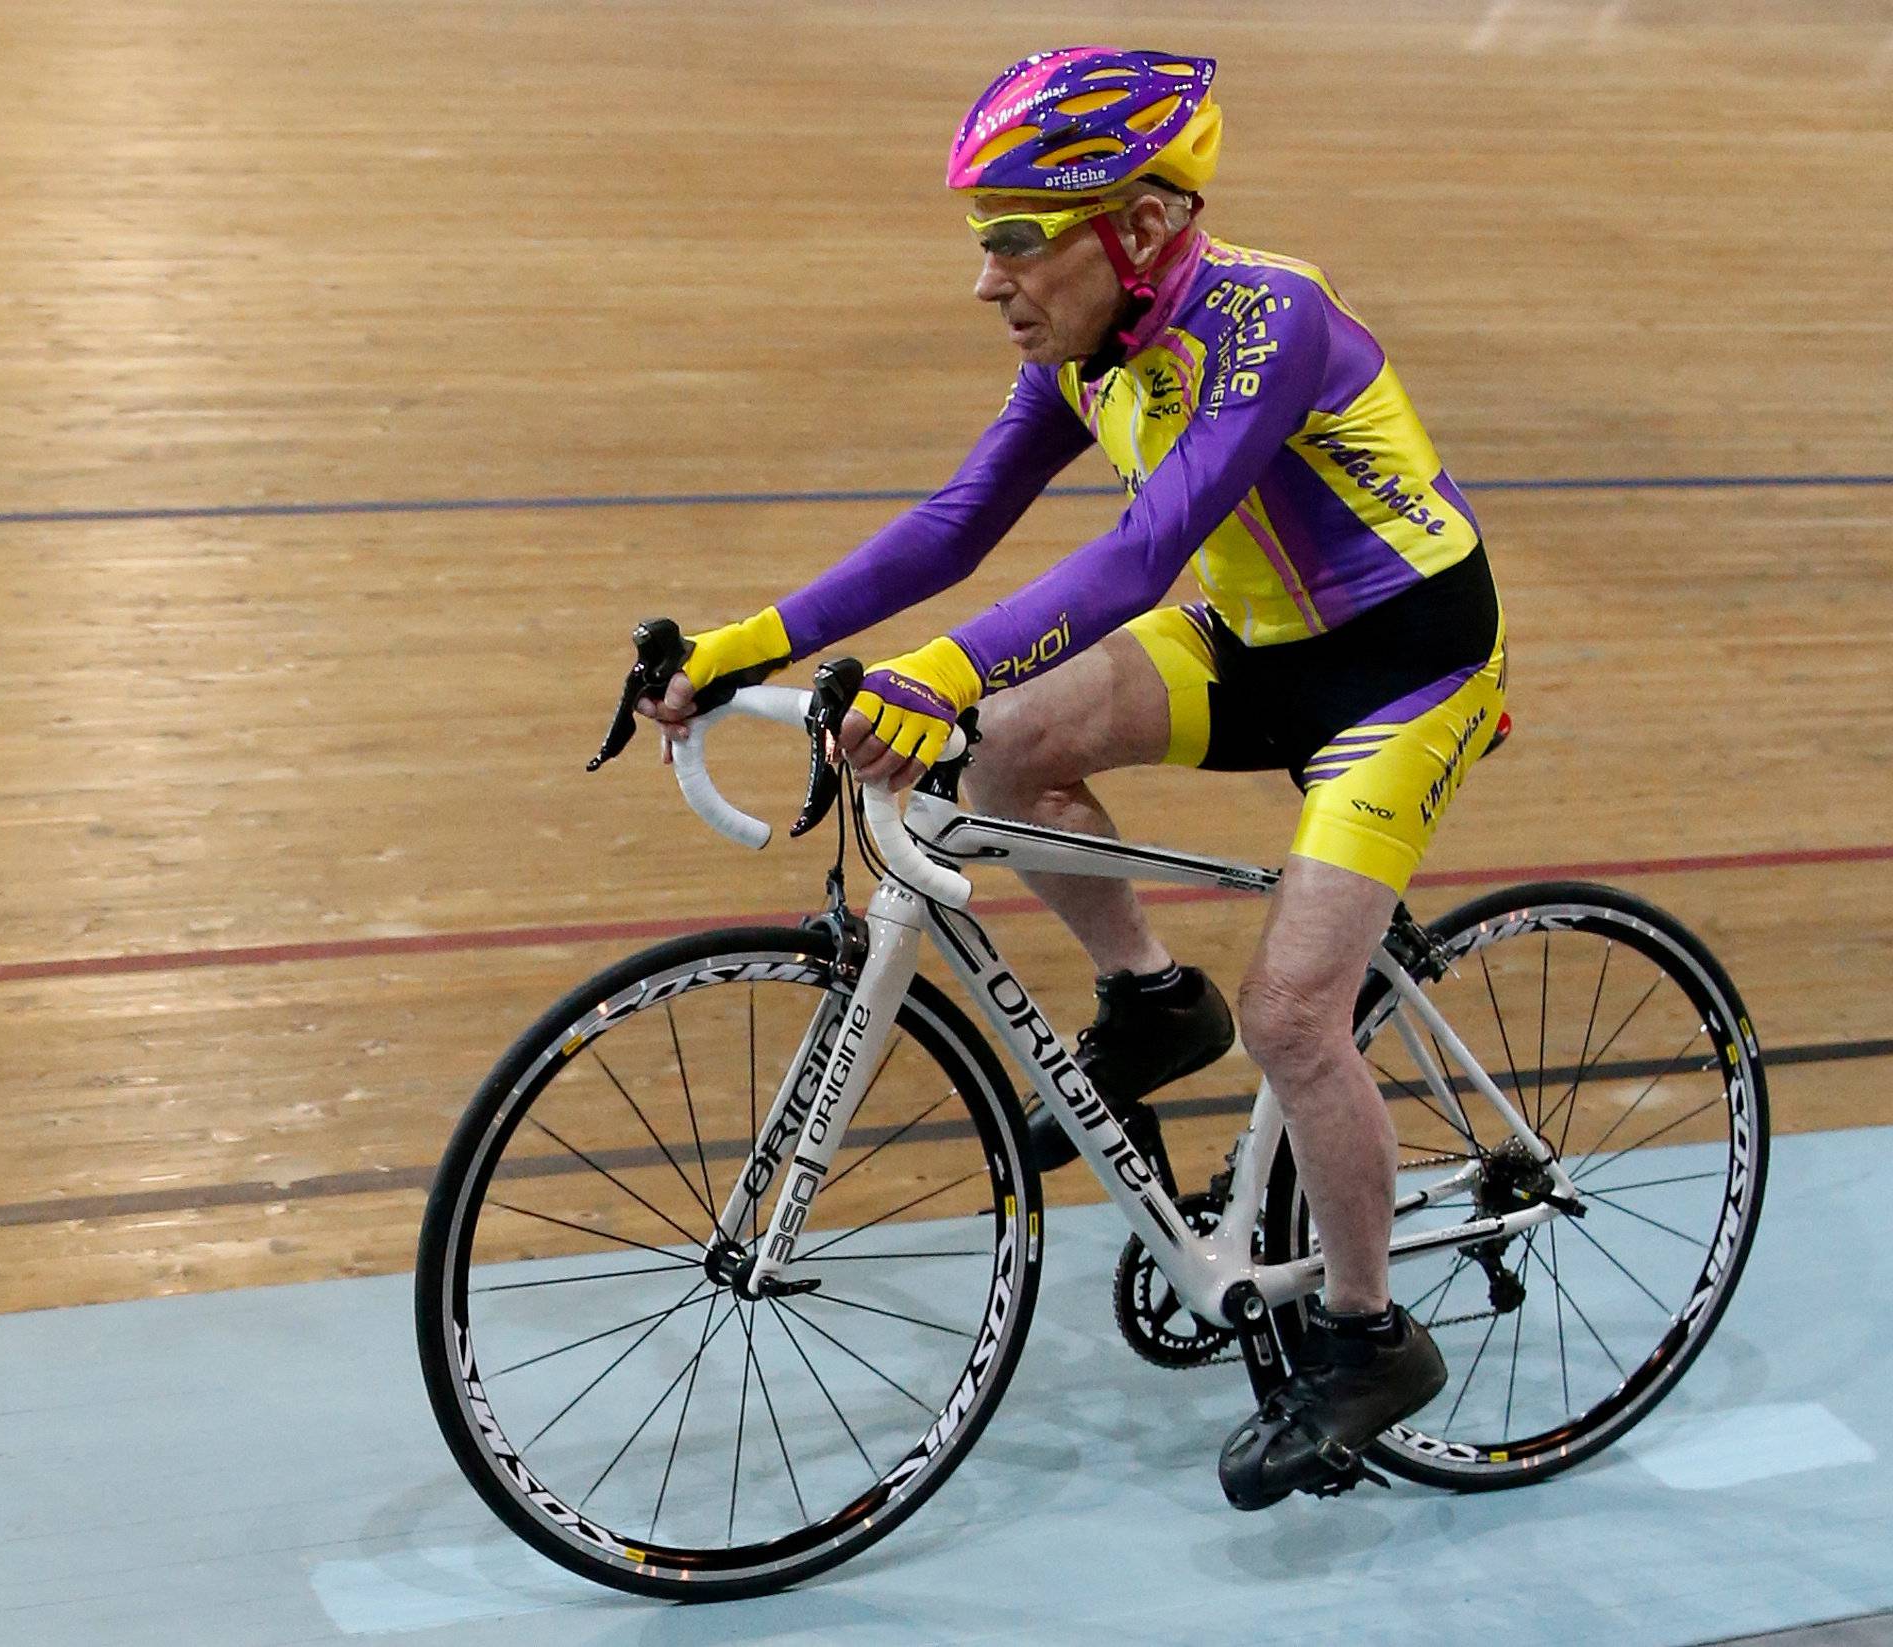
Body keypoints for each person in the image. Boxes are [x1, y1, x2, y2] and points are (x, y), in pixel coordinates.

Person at [637, 47, 1506, 1512]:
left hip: (1401, 667)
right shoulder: (1092, 347)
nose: (988, 282)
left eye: (1014, 238)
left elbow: (1140, 555)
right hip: (1255, 637)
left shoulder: (1262, 319)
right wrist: (746, 642)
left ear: (1144, 227)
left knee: (1299, 1016)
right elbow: (961, 519)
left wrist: (942, 669)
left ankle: (1368, 1338)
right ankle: (1156, 1000)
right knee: (1001, 744)